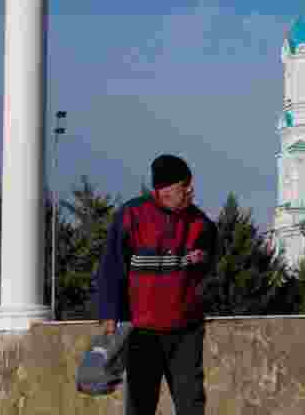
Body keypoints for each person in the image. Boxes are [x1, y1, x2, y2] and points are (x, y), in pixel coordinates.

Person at [97, 154, 219, 415]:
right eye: (185, 185)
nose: (191, 190)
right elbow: (111, 267)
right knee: (141, 405)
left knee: (192, 404)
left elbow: (210, 267)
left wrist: (202, 264)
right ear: (165, 189)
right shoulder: (131, 215)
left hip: (186, 331)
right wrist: (109, 315)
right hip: (142, 332)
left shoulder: (201, 223)